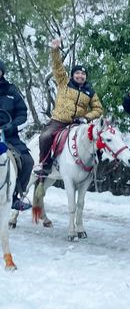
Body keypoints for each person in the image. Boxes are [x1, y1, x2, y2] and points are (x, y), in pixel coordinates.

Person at [34, 38, 103, 176]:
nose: (80, 75)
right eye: (77, 73)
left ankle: (93, 169)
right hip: (59, 121)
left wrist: (86, 118)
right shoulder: (64, 82)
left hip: (79, 123)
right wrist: (55, 50)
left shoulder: (90, 91)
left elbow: (98, 109)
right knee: (45, 137)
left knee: (99, 138)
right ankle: (45, 164)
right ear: (72, 75)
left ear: (86, 77)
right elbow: (57, 66)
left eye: (83, 74)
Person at [0, 60, 34, 211]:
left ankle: (15, 197)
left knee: (27, 161)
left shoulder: (12, 91)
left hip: (8, 136)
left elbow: (22, 114)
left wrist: (12, 125)